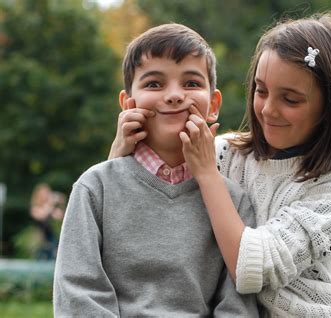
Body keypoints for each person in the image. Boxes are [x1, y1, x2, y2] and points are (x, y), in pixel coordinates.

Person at [109, 12, 331, 317]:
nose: (269, 110)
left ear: (329, 107)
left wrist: (206, 174)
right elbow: (142, 211)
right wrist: (120, 154)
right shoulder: (226, 154)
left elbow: (252, 271)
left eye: (291, 100)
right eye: (261, 90)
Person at [54, 23, 258, 317]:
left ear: (213, 104)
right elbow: (77, 292)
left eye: (191, 83)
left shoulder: (234, 201)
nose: (175, 95)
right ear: (128, 103)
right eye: (154, 84)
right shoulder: (94, 187)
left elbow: (238, 305)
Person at [29, 183, 65, 259]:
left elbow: (60, 216)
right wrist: (51, 202)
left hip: (54, 241)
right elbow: (42, 215)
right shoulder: (35, 209)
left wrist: (60, 202)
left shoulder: (51, 209)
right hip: (40, 242)